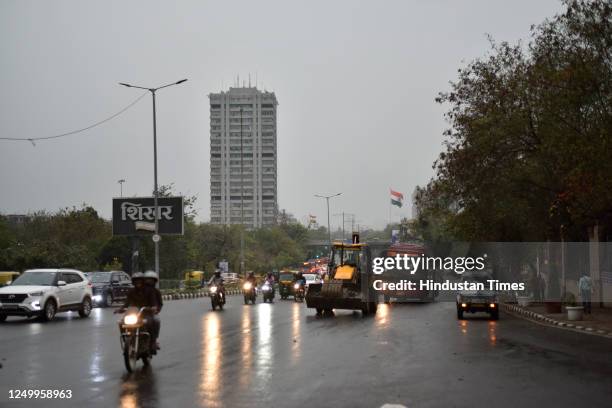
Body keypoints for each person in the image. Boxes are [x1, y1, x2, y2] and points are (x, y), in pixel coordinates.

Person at [115, 272, 161, 352]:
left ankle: (153, 342)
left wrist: (153, 308)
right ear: (133, 282)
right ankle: (126, 339)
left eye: (139, 281)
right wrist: (120, 309)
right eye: (136, 281)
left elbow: (154, 302)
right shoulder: (131, 291)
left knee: (153, 321)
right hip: (134, 313)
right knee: (121, 322)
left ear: (143, 281)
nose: (138, 283)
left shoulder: (150, 291)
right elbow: (127, 303)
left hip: (146, 313)